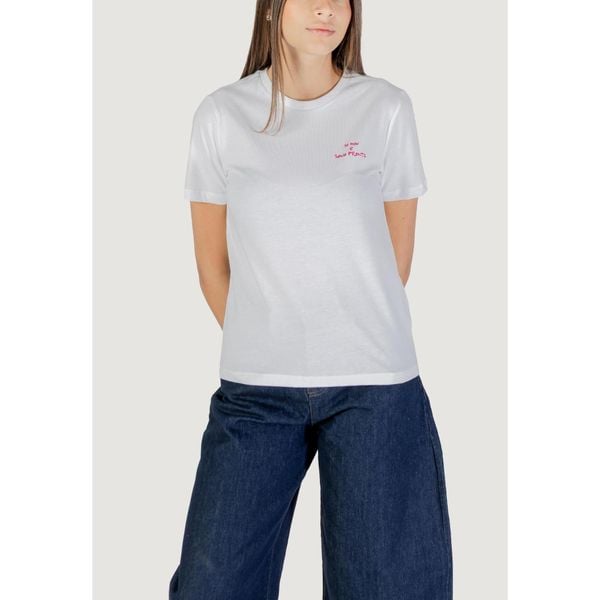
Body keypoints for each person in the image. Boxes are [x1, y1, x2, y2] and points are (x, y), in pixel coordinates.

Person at [169, 1, 453, 598]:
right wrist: (269, 338)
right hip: (255, 393)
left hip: (376, 389)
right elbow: (212, 266)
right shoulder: (222, 115)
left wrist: (336, 334)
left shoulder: (385, 109)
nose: (327, 9)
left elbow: (393, 261)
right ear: (273, 7)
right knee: (211, 584)